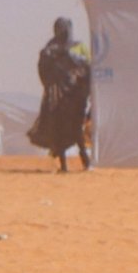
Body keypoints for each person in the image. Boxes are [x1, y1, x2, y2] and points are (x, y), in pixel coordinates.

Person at [28, 17, 92, 172]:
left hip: (75, 96)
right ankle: (63, 164)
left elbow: (88, 68)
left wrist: (82, 86)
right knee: (58, 129)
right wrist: (51, 86)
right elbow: (43, 70)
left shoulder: (79, 47)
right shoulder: (50, 49)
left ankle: (85, 159)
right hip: (58, 96)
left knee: (76, 128)